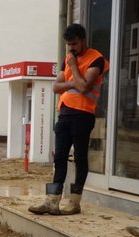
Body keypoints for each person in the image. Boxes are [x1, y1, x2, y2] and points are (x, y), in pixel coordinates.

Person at [29, 23, 109, 216]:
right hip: (65, 113)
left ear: (83, 40)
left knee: (80, 158)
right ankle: (52, 201)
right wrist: (72, 80)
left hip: (83, 114)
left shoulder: (96, 59)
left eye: (74, 44)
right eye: (68, 45)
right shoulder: (68, 58)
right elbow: (56, 87)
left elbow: (84, 88)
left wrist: (72, 69)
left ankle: (74, 202)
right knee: (59, 157)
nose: (71, 48)